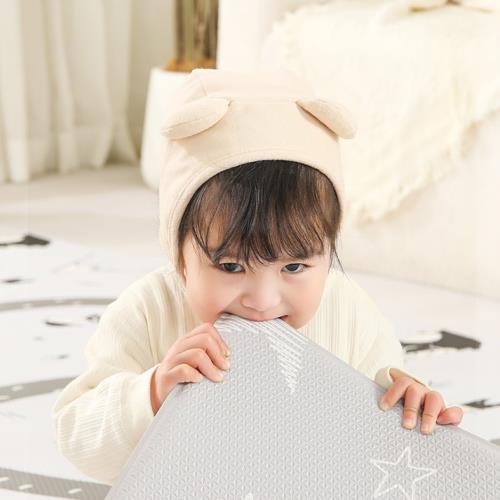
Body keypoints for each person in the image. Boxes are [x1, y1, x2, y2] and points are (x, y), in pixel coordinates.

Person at [51, 68, 463, 486]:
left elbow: (377, 424)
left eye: (294, 267)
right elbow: (77, 437)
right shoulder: (148, 310)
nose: (263, 301)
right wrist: (153, 392)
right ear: (180, 255)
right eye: (231, 266)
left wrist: (409, 404)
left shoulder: (349, 313)